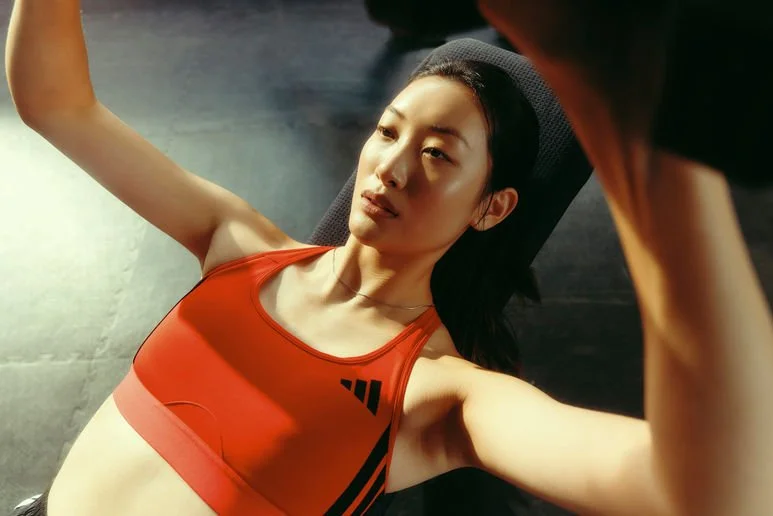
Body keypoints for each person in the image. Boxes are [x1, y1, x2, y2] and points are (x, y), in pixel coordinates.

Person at [6, 2, 773, 516]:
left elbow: (713, 493)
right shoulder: (238, 246)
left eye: (438, 155)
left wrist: (647, 126)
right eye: (388, 131)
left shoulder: (437, 396)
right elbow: (56, 103)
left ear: (491, 207)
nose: (391, 168)